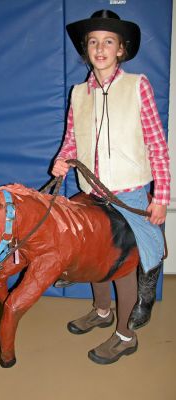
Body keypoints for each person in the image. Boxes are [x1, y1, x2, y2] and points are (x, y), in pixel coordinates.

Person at [51, 9, 170, 364]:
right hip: (91, 191)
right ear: (86, 49)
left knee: (128, 262)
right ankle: (102, 311)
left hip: (129, 192)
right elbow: (71, 139)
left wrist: (161, 197)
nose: (100, 48)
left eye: (108, 42)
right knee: (92, 255)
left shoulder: (138, 86)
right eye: (93, 42)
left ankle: (126, 334)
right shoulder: (78, 94)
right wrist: (62, 159)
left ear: (121, 49)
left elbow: (157, 144)